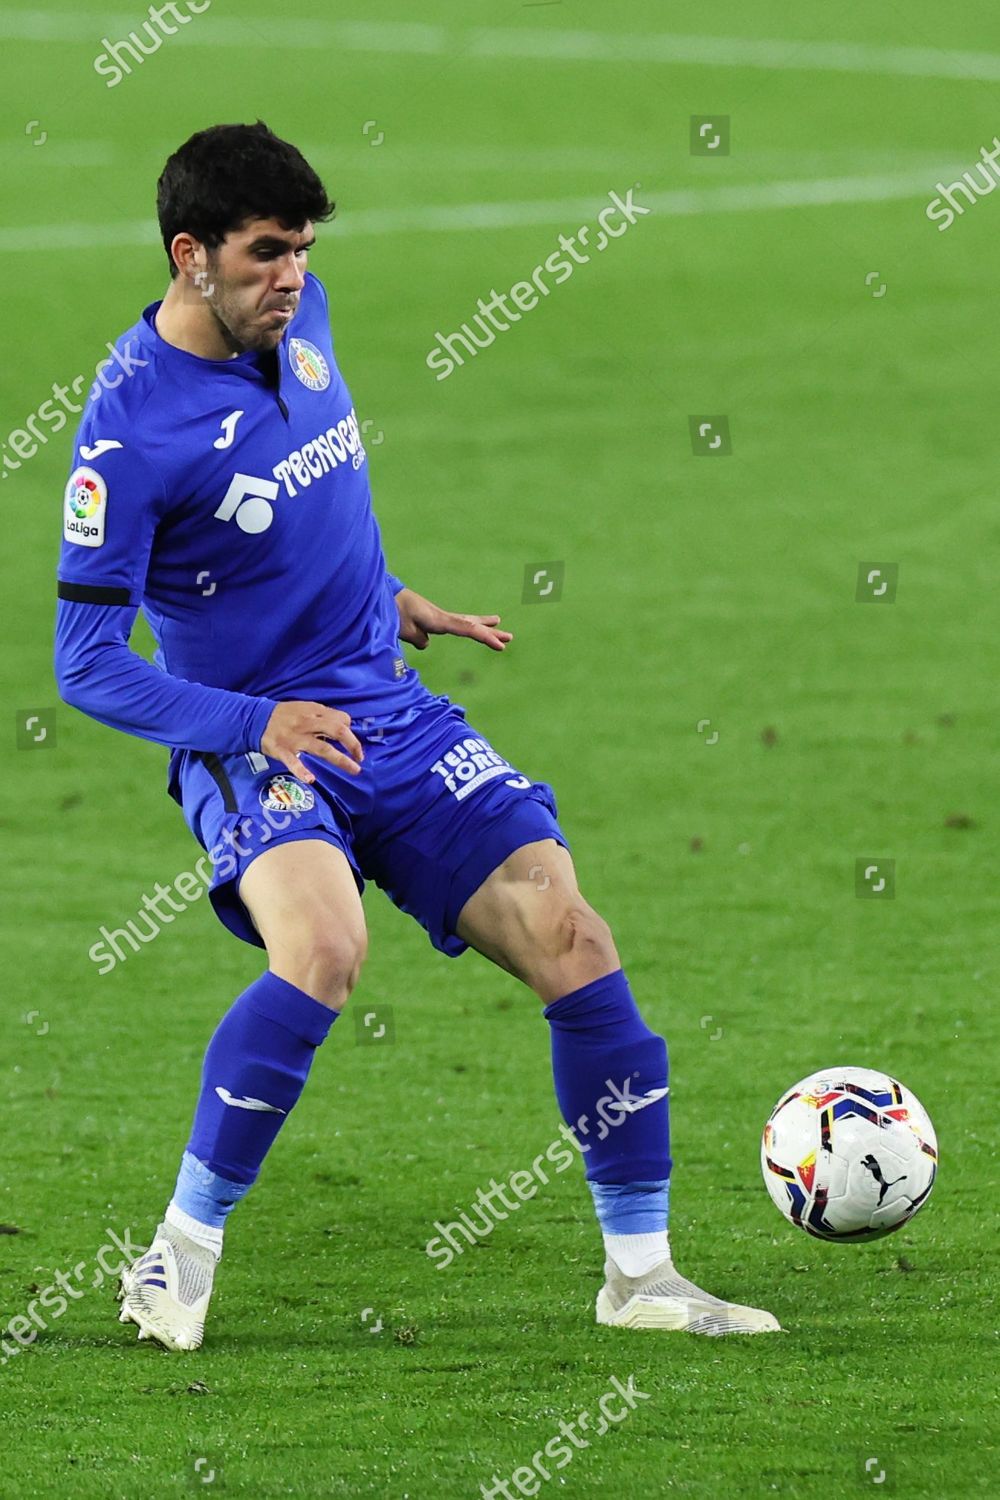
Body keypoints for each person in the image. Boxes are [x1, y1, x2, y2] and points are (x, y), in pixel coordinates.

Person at [54, 121, 779, 1351]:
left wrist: (392, 599)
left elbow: (305, 506)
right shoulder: (129, 436)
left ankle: (641, 1277)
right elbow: (83, 668)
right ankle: (175, 1259)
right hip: (257, 741)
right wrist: (257, 721)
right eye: (264, 253)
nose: (292, 274)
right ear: (191, 257)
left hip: (386, 705)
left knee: (573, 935)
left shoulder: (303, 321)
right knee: (325, 949)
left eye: (303, 250)